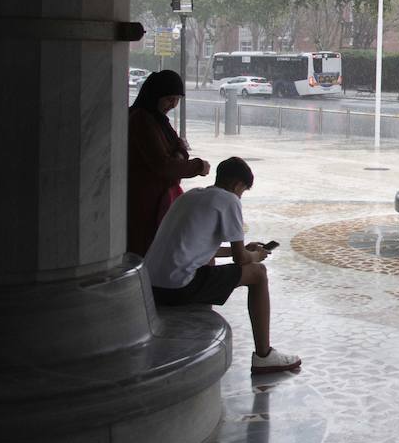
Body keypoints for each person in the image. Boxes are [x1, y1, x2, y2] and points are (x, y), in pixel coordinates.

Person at [143, 157, 302, 374]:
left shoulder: (190, 196)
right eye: (243, 191)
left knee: (211, 262)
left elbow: (201, 248)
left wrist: (247, 249)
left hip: (151, 287)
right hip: (178, 288)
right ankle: (264, 355)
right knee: (259, 274)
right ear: (238, 185)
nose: (240, 197)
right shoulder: (228, 200)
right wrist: (256, 256)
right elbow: (241, 259)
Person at [128, 69, 209, 256]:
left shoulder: (157, 120)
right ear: (155, 95)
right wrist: (198, 166)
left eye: (177, 99)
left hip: (157, 198)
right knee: (147, 251)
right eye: (168, 99)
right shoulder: (141, 120)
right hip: (145, 202)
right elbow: (163, 165)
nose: (172, 105)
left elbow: (179, 148)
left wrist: (178, 157)